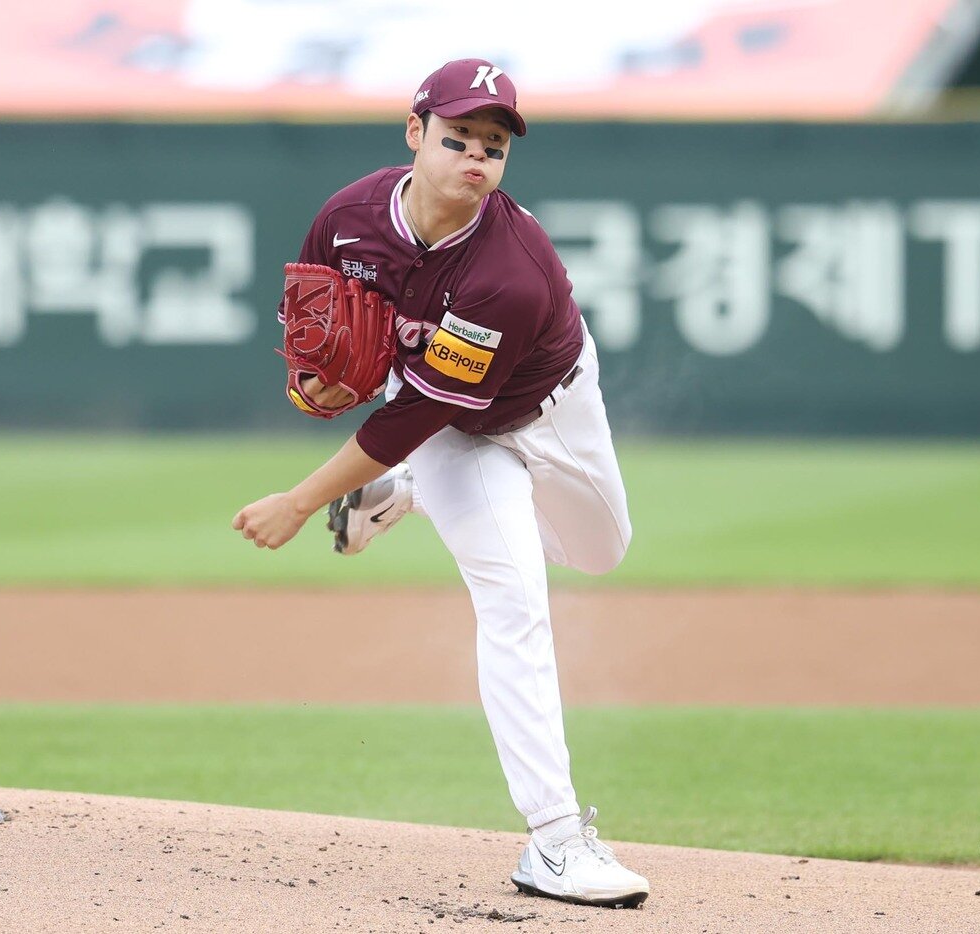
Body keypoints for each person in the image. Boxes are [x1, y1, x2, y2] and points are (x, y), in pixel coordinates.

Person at [232, 58, 649, 909]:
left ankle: (403, 491)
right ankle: (557, 843)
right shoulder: (348, 217)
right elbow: (310, 326)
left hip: (550, 410)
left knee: (601, 553)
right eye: (457, 137)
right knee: (515, 602)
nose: (474, 157)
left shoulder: (509, 269)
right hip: (453, 435)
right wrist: (315, 377)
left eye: (492, 146)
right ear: (415, 132)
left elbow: (403, 420)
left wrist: (298, 499)